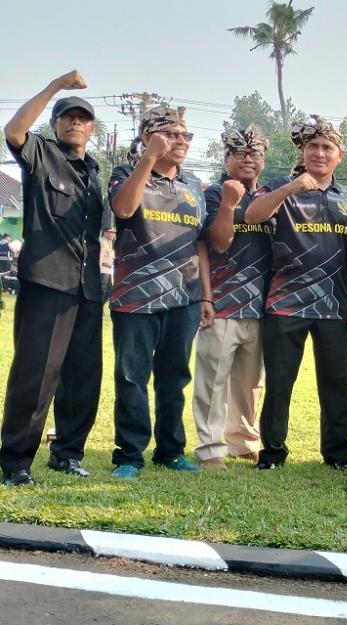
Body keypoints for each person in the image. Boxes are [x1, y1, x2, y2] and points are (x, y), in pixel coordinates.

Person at [0, 70, 107, 486]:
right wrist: (55, 87)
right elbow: (14, 131)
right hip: (47, 281)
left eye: (83, 118)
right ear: (56, 123)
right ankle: (15, 462)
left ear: (92, 129)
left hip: (87, 286)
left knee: (83, 374)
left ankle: (67, 454)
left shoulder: (94, 173)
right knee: (37, 373)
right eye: (68, 116)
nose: (76, 122)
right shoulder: (42, 154)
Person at [245, 115, 347, 471]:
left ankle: (337, 455)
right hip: (285, 303)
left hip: (333, 305)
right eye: (313, 146)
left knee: (336, 383)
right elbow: (252, 215)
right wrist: (292, 187)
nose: (320, 153)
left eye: (328, 147)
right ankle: (272, 453)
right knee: (280, 382)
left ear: (340, 155)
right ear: (303, 150)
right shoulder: (281, 186)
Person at [108, 104, 208, 479]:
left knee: (175, 376)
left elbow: (201, 242)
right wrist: (148, 158)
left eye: (186, 135)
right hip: (135, 296)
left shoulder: (194, 185)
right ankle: (129, 455)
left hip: (184, 296)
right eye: (172, 134)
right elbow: (123, 208)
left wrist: (205, 296)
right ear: (149, 137)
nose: (181, 141)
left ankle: (171, 450)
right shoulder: (126, 174)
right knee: (132, 376)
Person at [191, 125, 271, 470]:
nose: (248, 159)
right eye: (240, 153)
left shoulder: (269, 196)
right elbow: (217, 244)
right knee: (213, 380)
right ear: (226, 158)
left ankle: (244, 441)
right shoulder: (211, 194)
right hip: (222, 301)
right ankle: (210, 447)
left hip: (262, 304)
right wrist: (228, 204)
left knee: (250, 384)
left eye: (255, 153)